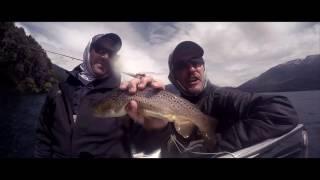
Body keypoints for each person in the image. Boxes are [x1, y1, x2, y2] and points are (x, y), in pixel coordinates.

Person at [120, 41, 299, 158]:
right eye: (182, 65)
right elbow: (146, 148)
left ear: (203, 68)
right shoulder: (165, 103)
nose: (191, 69)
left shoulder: (225, 97)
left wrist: (215, 147)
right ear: (173, 76)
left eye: (196, 62)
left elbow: (282, 112)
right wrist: (156, 127)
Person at [34, 33, 168, 158]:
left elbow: (146, 146)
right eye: (100, 49)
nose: (105, 56)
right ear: (88, 51)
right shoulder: (59, 89)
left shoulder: (126, 93)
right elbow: (44, 136)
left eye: (111, 54)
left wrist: (157, 126)